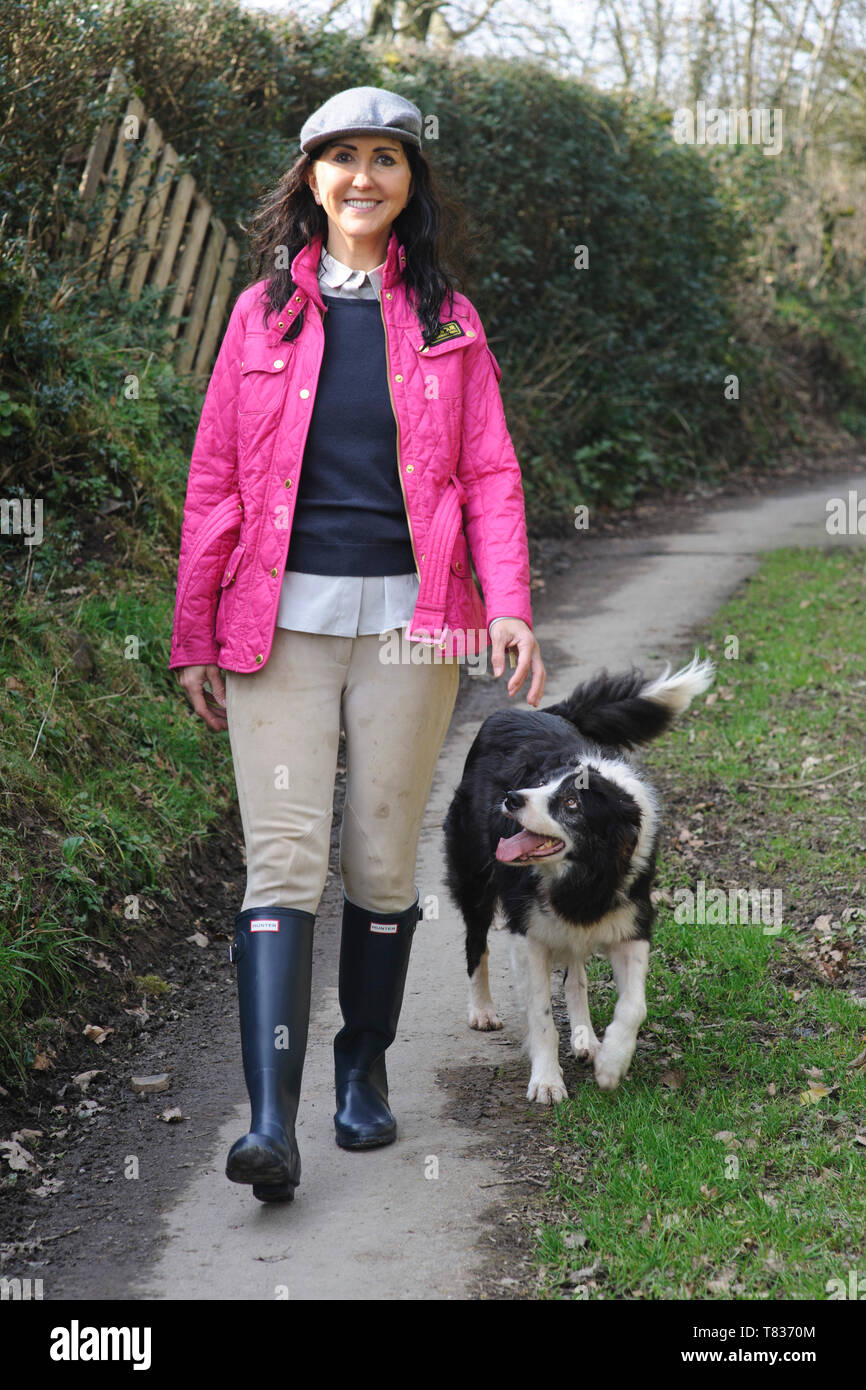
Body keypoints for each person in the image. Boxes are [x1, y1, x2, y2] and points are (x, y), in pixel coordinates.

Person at [168, 86, 545, 1204]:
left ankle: (362, 1069)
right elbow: (216, 480)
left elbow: (488, 470)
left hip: (412, 626)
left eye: (387, 158)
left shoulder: (447, 320)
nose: (364, 177)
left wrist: (510, 600)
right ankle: (272, 1124)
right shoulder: (257, 316)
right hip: (272, 623)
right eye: (343, 158)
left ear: (409, 185)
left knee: (380, 863)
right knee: (280, 862)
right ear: (312, 177)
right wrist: (194, 627)